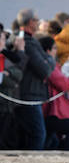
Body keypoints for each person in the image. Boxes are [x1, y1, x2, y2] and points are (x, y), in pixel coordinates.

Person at [15, 9, 54, 150]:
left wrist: (46, 61)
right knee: (38, 134)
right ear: (30, 22)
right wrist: (49, 58)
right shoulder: (27, 42)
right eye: (37, 20)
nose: (38, 22)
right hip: (28, 96)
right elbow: (44, 70)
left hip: (32, 95)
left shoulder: (31, 41)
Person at [38, 36, 69, 150]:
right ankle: (68, 155)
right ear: (48, 50)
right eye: (54, 48)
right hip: (49, 110)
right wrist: (68, 65)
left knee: (51, 140)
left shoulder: (49, 63)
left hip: (48, 108)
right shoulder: (47, 63)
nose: (56, 51)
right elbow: (61, 82)